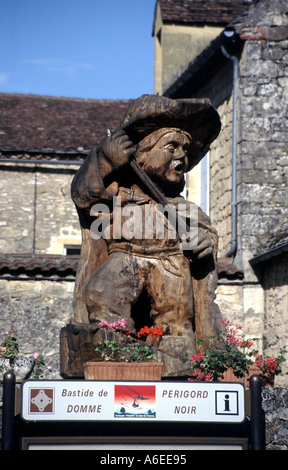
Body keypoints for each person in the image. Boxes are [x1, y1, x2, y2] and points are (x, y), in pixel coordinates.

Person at [71, 95, 222, 370]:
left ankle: (179, 363)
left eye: (185, 150)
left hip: (171, 264)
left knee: (176, 317)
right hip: (125, 257)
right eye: (172, 147)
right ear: (141, 153)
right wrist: (105, 160)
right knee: (102, 293)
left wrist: (203, 245)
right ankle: (113, 353)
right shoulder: (116, 193)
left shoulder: (183, 208)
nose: (181, 156)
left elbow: (204, 235)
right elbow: (84, 196)